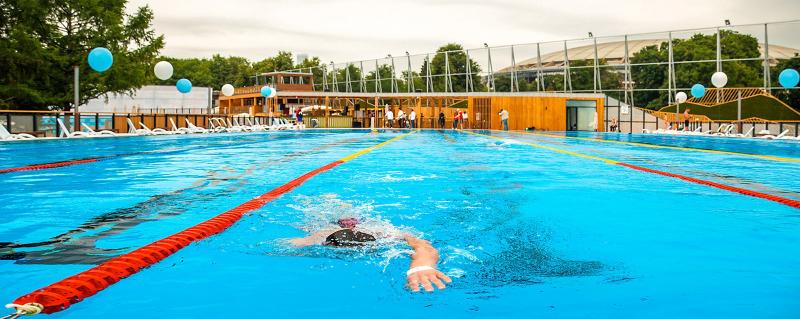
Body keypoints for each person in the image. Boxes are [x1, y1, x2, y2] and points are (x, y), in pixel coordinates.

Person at [289, 217, 452, 292]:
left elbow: (422, 245)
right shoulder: (319, 236)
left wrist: (421, 266)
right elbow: (290, 245)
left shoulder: (385, 234)